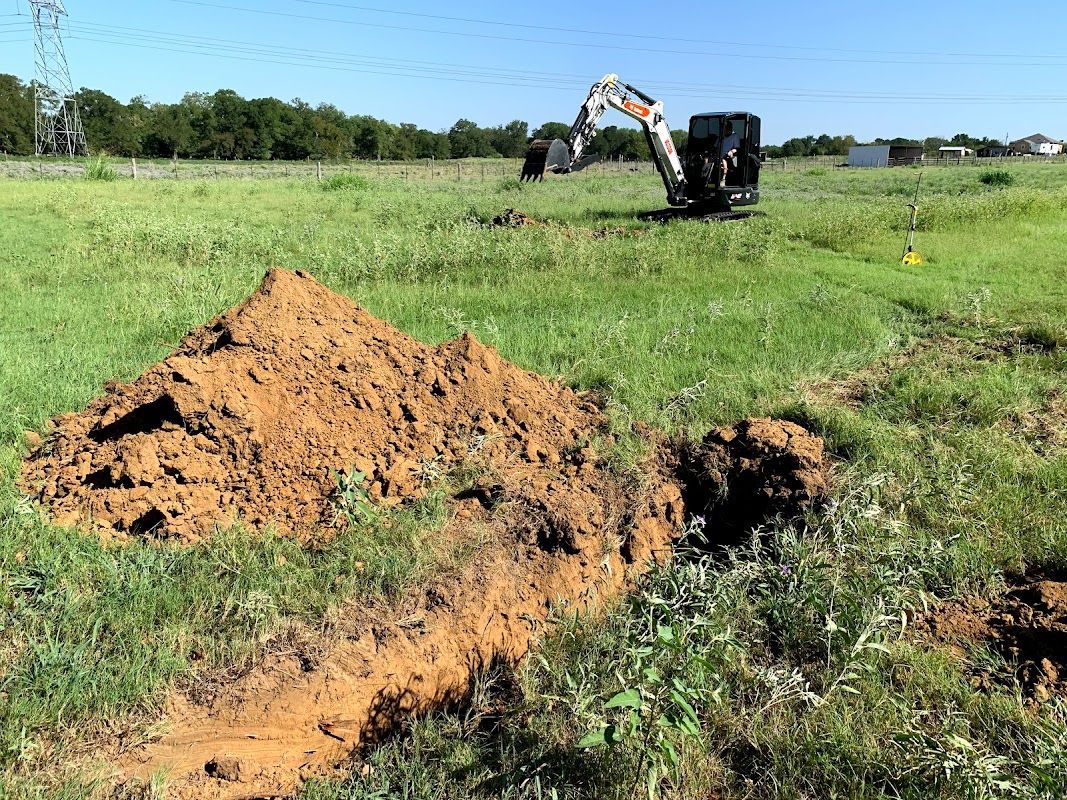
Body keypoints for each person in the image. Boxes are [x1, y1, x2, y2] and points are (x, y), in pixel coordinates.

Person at [719, 120, 742, 187]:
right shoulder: (721, 137)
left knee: (723, 159)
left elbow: (736, 148)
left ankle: (723, 179)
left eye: (725, 128)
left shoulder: (735, 136)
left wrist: (731, 151)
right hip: (718, 155)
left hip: (728, 156)